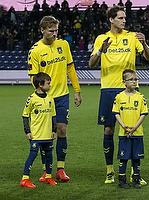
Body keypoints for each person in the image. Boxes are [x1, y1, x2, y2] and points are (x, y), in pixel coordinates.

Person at [89, 5, 149, 184]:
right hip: (109, 88)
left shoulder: (132, 37)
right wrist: (101, 50)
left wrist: (145, 43)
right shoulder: (102, 38)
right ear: (111, 19)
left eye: (125, 18)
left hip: (131, 89)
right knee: (109, 129)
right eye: (120, 18)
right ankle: (110, 171)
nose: (124, 21)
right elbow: (91, 63)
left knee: (132, 129)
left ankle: (135, 173)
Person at [27, 16, 82, 182]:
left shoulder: (63, 45)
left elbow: (70, 68)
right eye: (51, 31)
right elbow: (33, 77)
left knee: (62, 130)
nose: (54, 33)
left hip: (62, 95)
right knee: (46, 135)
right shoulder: (35, 50)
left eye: (56, 30)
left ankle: (60, 169)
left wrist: (77, 91)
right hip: (45, 98)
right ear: (42, 30)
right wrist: (41, 95)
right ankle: (46, 171)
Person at [112, 69, 148, 189]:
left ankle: (136, 178)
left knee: (136, 157)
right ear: (124, 82)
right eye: (131, 79)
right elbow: (116, 113)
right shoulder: (119, 97)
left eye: (135, 79)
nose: (134, 82)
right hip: (124, 133)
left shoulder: (140, 97)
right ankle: (122, 179)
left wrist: (134, 128)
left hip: (137, 133)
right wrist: (123, 126)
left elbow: (143, 114)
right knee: (123, 157)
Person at [20, 72, 57, 188]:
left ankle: (48, 177)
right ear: (40, 84)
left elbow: (53, 116)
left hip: (47, 134)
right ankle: (25, 179)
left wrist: (54, 130)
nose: (50, 86)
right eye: (48, 83)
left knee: (49, 156)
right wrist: (28, 131)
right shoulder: (31, 99)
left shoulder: (51, 98)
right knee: (32, 155)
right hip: (36, 135)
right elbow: (25, 116)